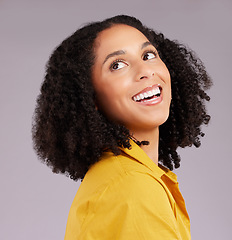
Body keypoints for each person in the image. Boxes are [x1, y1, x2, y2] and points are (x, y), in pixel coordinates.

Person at [32, 15, 212, 239]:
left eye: (148, 55)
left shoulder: (119, 176)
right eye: (117, 65)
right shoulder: (134, 188)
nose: (145, 71)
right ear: (91, 98)